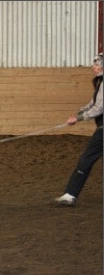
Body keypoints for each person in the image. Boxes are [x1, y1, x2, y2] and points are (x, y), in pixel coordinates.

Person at [55, 53, 103, 206]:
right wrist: (78, 114)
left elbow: (98, 108)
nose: (93, 67)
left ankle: (70, 194)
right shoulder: (100, 83)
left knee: (86, 159)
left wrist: (78, 118)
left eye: (96, 65)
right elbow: (92, 104)